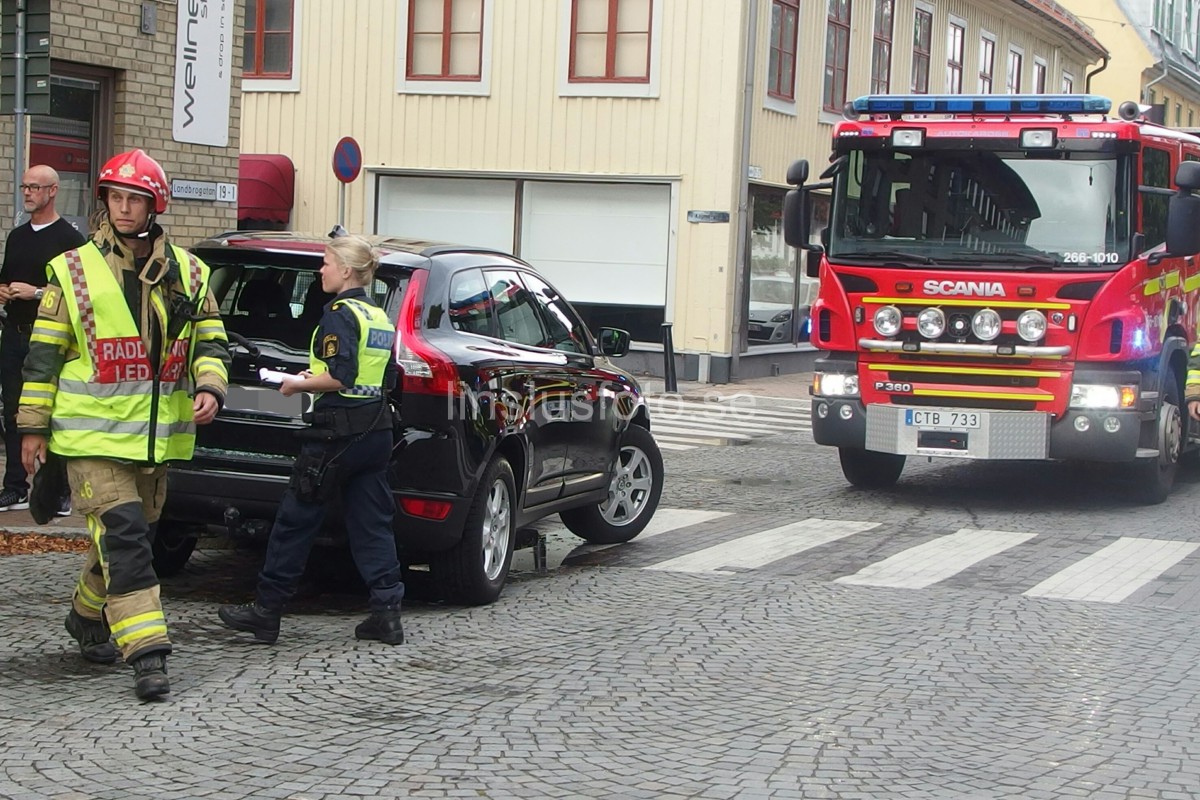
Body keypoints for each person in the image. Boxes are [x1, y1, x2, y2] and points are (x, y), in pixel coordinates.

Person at [16, 148, 231, 701]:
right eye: (115, 197)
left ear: (154, 205)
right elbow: (43, 356)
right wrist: (31, 429)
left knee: (122, 542)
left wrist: (210, 386)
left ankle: (86, 618)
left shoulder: (191, 272)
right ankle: (148, 654)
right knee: (128, 541)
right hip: (89, 438)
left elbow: (210, 341)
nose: (124, 208)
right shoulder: (72, 270)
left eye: (135, 198)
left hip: (155, 439)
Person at [218, 234, 404, 646]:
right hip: (374, 430)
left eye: (326, 262)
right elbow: (378, 376)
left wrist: (293, 384)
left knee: (295, 521)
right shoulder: (377, 315)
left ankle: (266, 612)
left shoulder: (338, 313)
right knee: (373, 525)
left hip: (336, 434)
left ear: (346, 270)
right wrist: (311, 379)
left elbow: (341, 374)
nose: (320, 270)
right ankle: (387, 613)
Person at [0, 165, 86, 511]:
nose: (27, 193)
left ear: (53, 191)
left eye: (34, 187)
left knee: (52, 415)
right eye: (24, 187)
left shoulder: (70, 240)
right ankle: (14, 486)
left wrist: (36, 294)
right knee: (12, 413)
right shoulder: (17, 236)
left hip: (49, 340)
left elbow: (78, 293)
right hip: (14, 335)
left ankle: (57, 491)